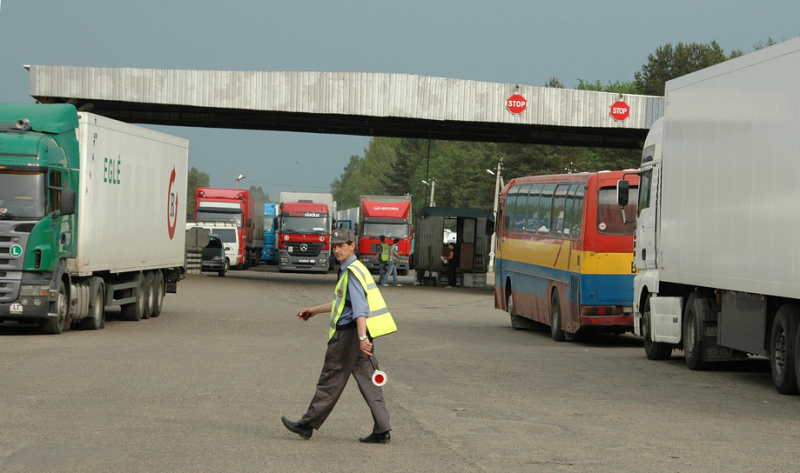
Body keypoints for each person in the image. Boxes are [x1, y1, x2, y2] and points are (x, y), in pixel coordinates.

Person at [281, 228, 392, 444]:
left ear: (353, 245)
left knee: (330, 380)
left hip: (349, 337)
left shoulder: (351, 272)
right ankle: (382, 429)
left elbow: (360, 309)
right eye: (334, 246)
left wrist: (362, 338)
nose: (337, 250)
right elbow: (343, 304)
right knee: (370, 381)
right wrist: (314, 310)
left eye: (342, 245)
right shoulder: (356, 268)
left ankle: (306, 425)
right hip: (358, 335)